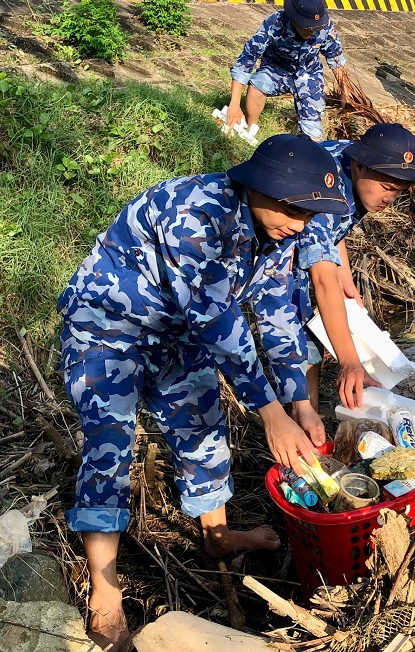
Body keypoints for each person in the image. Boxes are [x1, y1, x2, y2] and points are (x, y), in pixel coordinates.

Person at [58, 135, 348, 651]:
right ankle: (105, 592)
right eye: (292, 209)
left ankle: (216, 535)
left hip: (177, 331)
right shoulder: (200, 212)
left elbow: (278, 314)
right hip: (108, 324)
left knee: (204, 427)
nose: (300, 225)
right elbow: (218, 320)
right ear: (260, 185)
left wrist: (298, 403)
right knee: (110, 444)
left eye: (308, 215)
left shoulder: (277, 232)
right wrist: (270, 412)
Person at [292, 123, 415, 411]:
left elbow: (334, 229)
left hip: (299, 238)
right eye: (387, 188)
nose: (390, 200)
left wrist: (345, 275)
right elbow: (322, 280)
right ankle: (303, 423)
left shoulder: (359, 162)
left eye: (399, 191)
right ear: (359, 166)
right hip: (252, 252)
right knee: (303, 342)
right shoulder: (322, 188)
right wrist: (349, 362)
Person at [228, 0, 348, 141]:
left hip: (308, 74)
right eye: (306, 27)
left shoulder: (325, 27)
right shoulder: (275, 24)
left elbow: (335, 58)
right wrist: (234, 104)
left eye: (314, 28)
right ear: (294, 19)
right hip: (276, 69)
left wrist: (345, 92)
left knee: (313, 136)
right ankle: (250, 129)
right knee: (258, 84)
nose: (311, 32)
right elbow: (246, 60)